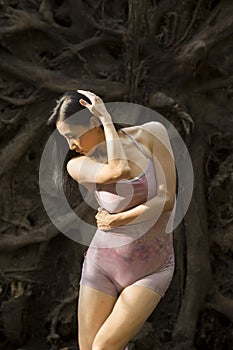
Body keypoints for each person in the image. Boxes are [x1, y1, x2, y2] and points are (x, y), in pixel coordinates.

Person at [47, 90, 176, 350]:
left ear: (92, 123)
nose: (70, 145)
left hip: (153, 269)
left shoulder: (152, 133)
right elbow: (119, 169)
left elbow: (167, 199)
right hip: (102, 268)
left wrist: (119, 220)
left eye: (71, 135)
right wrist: (106, 126)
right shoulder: (78, 165)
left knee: (103, 347)